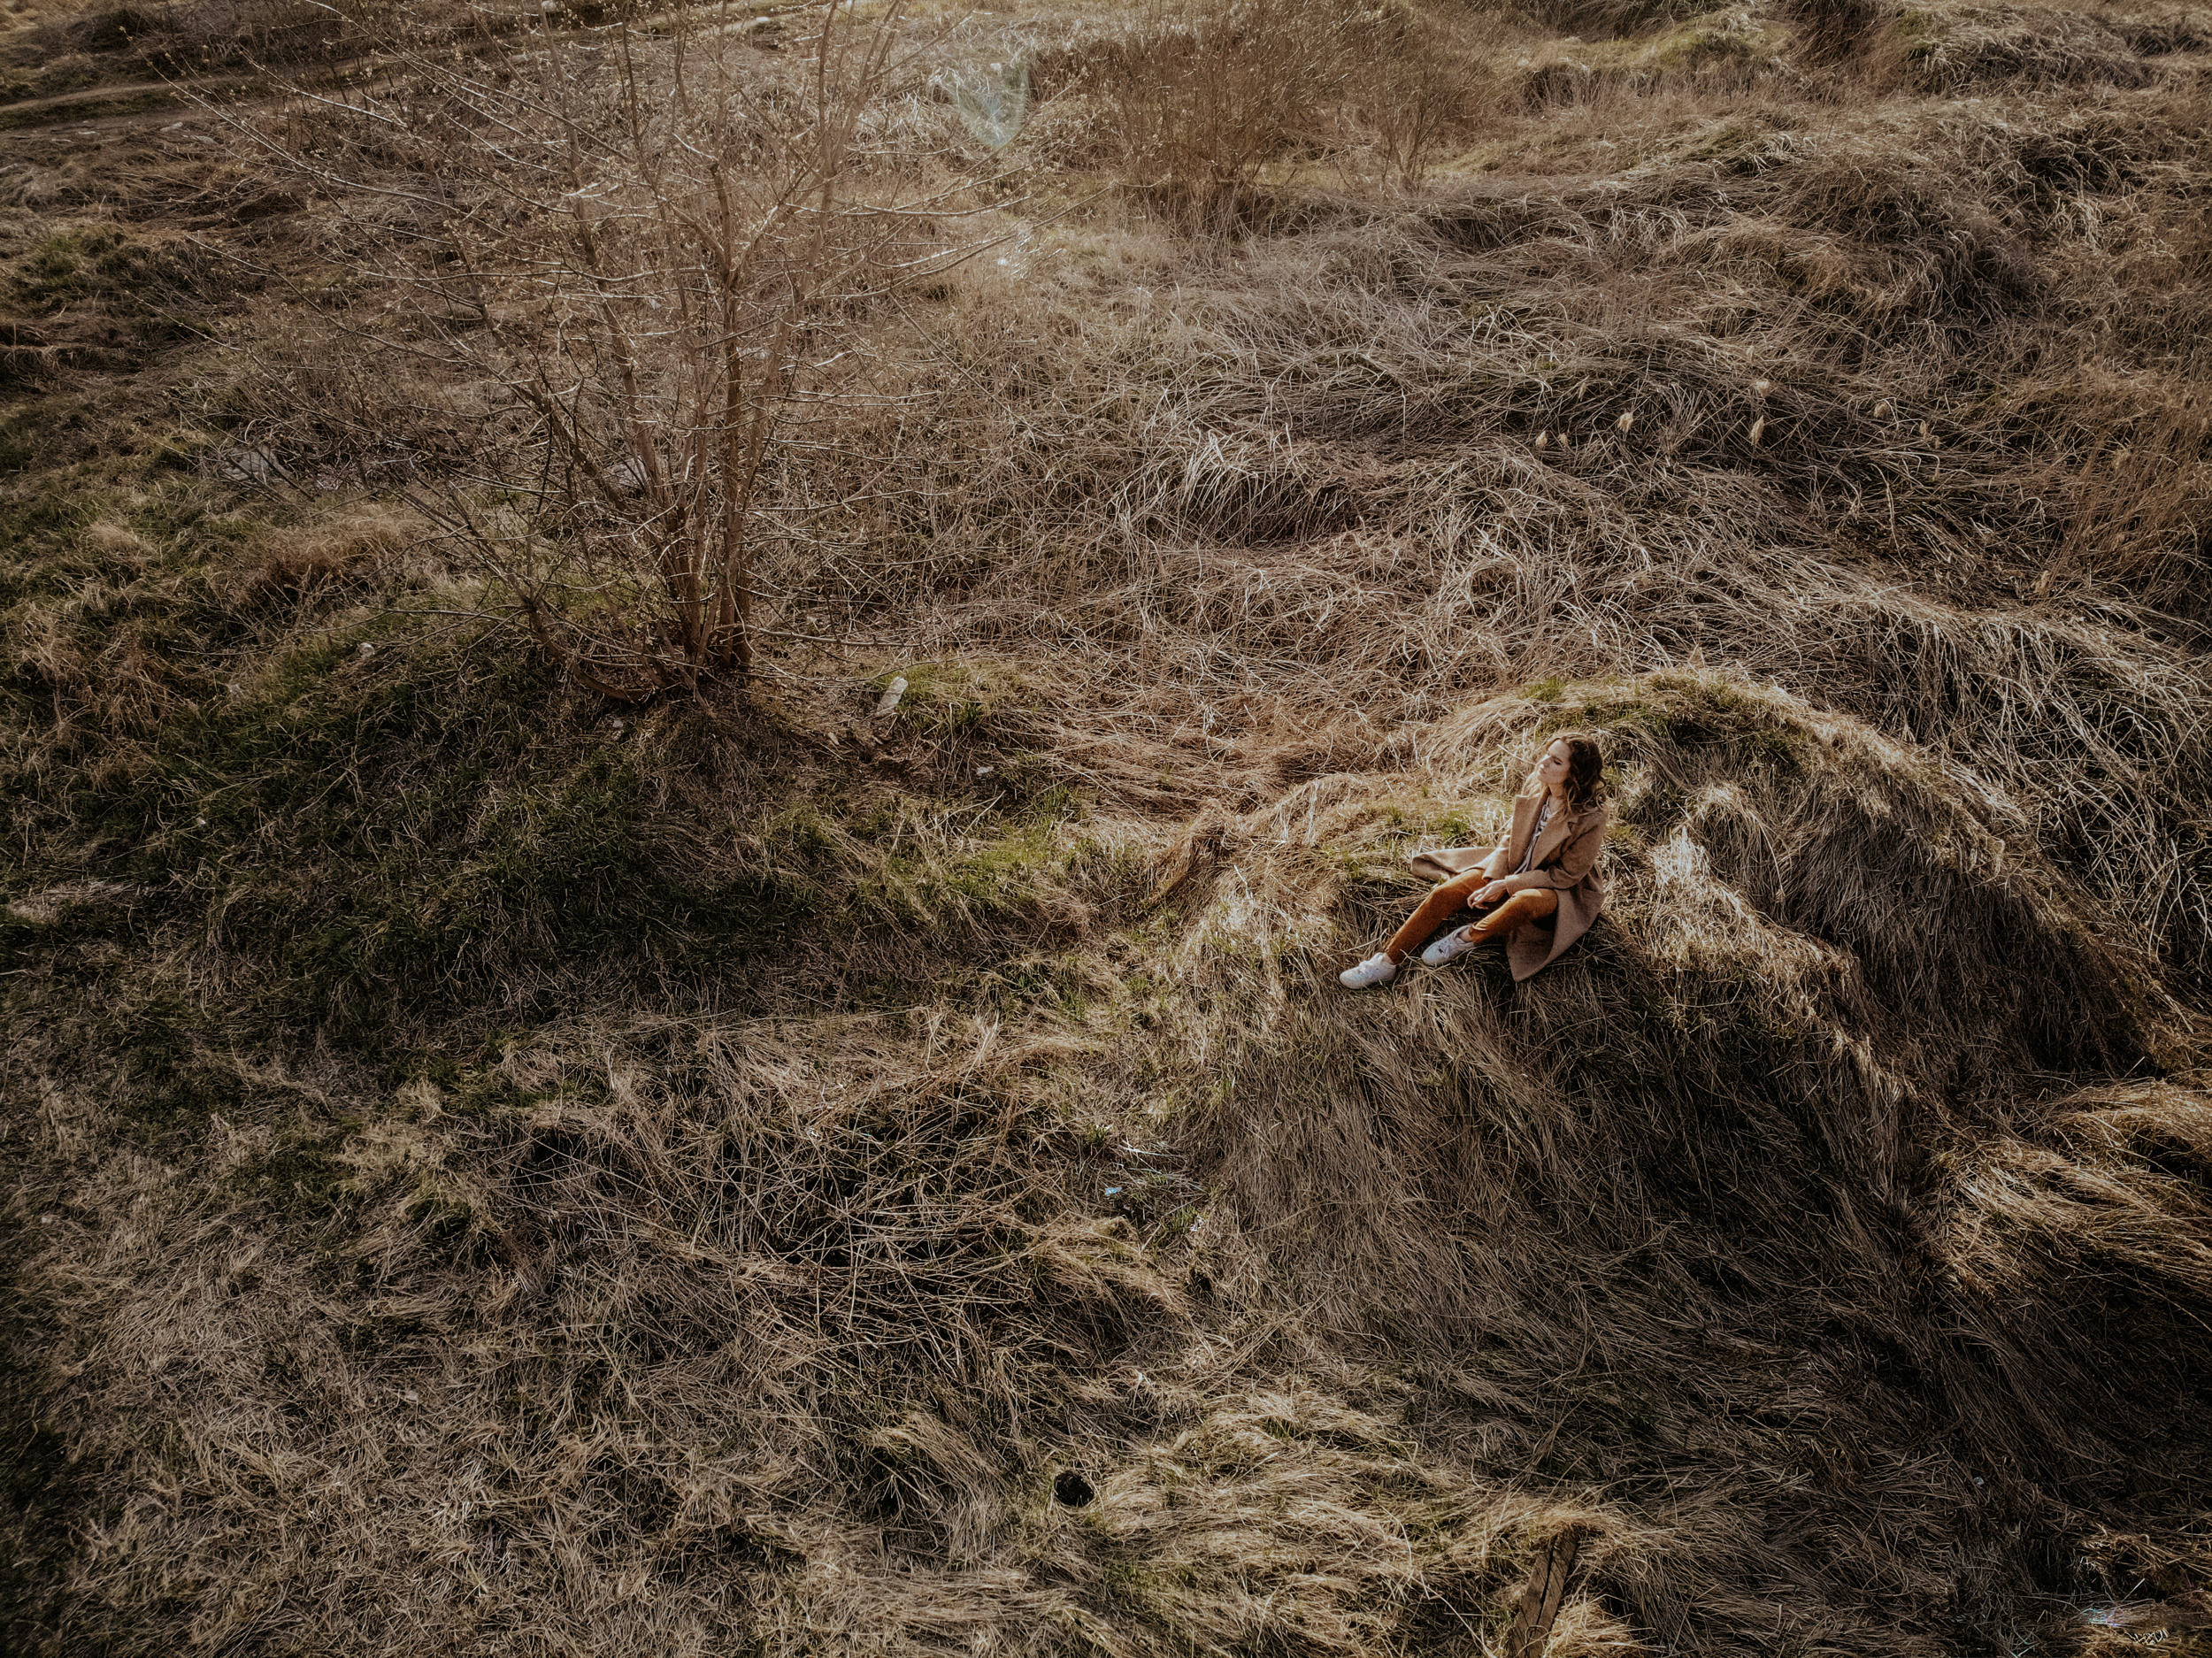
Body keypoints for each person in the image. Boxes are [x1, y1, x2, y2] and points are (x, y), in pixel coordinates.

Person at [1340, 732, 1609, 988]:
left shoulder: (1590, 817)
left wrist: (1506, 885)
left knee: (1523, 904)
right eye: (1547, 754)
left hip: (1557, 888)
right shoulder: (1537, 785)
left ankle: (1465, 938)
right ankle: (1385, 963)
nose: (1543, 762)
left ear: (1575, 774)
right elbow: (1509, 839)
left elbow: (1566, 875)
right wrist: (1495, 876)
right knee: (1445, 893)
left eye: (1556, 761)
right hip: (1514, 866)